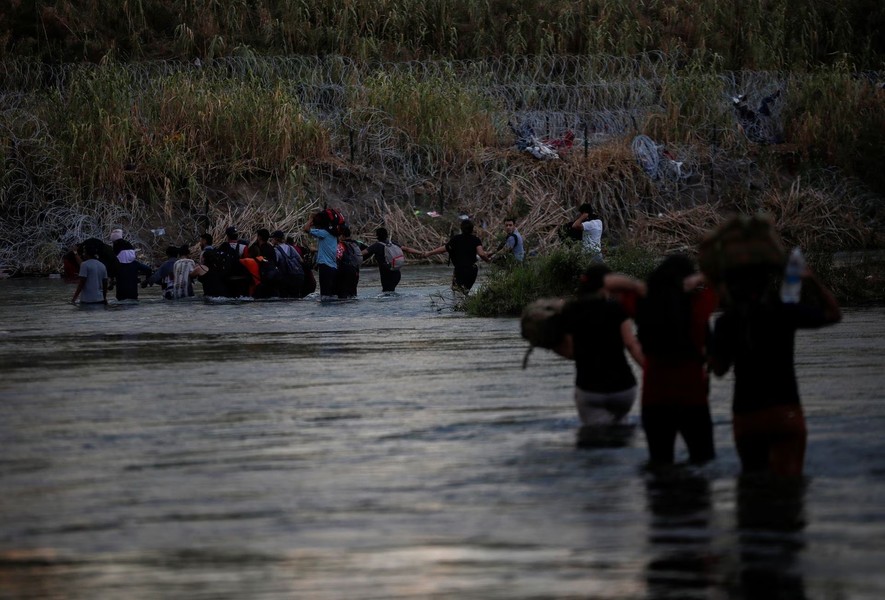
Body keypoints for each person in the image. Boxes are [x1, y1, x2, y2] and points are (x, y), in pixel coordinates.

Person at [710, 262, 841, 477]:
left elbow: (719, 370)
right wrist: (812, 280)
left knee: (751, 488)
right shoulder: (782, 311)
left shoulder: (727, 321)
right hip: (785, 412)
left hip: (747, 415)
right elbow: (833, 313)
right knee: (790, 488)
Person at [636, 255, 718, 466]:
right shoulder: (698, 309)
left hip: (654, 402)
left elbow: (607, 283)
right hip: (693, 398)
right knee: (703, 463)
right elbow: (724, 278)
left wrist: (645, 286)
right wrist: (699, 279)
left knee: (660, 467)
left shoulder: (645, 310)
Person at [557, 264, 645, 435]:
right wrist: (649, 370)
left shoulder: (572, 311)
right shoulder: (616, 309)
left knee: (595, 437)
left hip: (589, 388)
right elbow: (631, 344)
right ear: (607, 285)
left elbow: (569, 351)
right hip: (624, 388)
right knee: (622, 431)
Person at [424, 219, 492, 293]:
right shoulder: (476, 240)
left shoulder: (456, 239)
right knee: (465, 291)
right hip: (472, 270)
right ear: (472, 229)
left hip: (460, 270)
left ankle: (460, 304)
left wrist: (429, 253)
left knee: (457, 292)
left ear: (461, 229)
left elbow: (444, 249)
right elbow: (481, 254)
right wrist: (488, 261)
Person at [362, 227, 421, 293]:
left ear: (377, 236)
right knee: (390, 292)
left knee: (387, 294)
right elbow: (407, 249)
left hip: (386, 274)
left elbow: (361, 254)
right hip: (397, 273)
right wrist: (421, 253)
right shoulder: (392, 243)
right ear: (386, 235)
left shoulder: (376, 246)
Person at [304, 210, 341, 299]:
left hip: (325, 266)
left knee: (324, 295)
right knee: (332, 295)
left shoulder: (323, 233)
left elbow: (306, 229)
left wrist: (311, 219)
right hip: (333, 267)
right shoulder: (334, 235)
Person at [110, 230, 151, 301]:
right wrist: (146, 282)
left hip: (120, 296)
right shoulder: (135, 264)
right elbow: (148, 270)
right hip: (133, 296)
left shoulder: (116, 265)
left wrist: (112, 282)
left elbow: (110, 273)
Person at [271, 230, 305, 298]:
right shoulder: (291, 247)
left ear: (275, 239)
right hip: (297, 276)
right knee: (295, 297)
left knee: (284, 298)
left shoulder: (276, 250)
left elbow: (275, 263)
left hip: (285, 278)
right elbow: (301, 260)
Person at [335, 225, 363, 298]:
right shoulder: (356, 243)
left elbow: (338, 257)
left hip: (345, 272)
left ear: (342, 235)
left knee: (343, 296)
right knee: (353, 295)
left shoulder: (341, 244)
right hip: (355, 271)